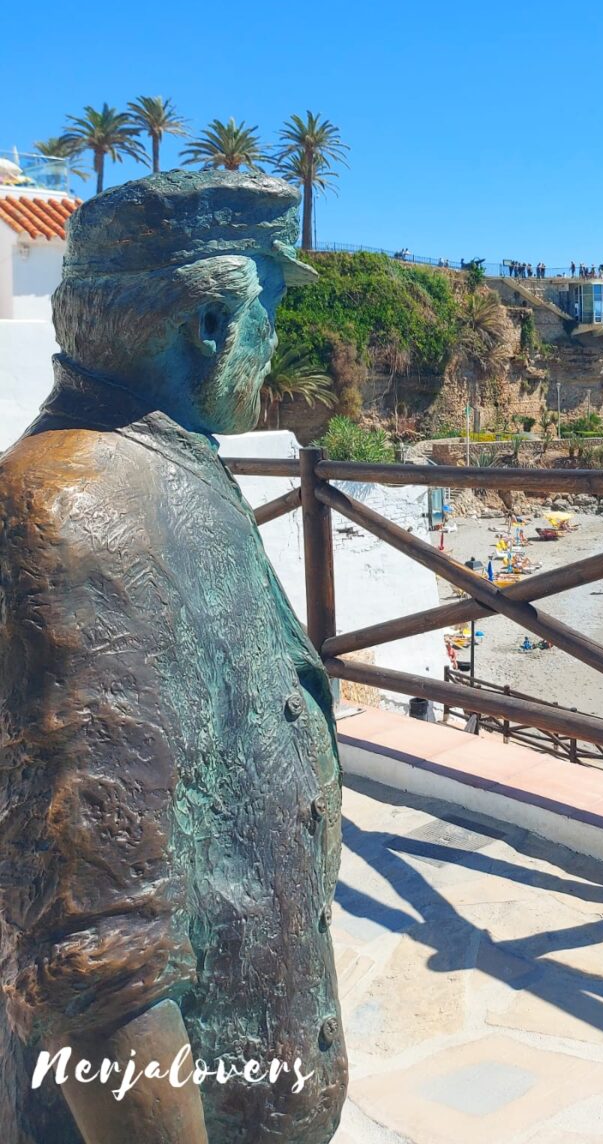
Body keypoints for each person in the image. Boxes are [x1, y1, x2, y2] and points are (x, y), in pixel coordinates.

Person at [0, 171, 346, 1144]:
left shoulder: (154, 462)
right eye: (268, 312)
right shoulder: (78, 513)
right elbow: (98, 962)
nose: (273, 343)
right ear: (207, 328)